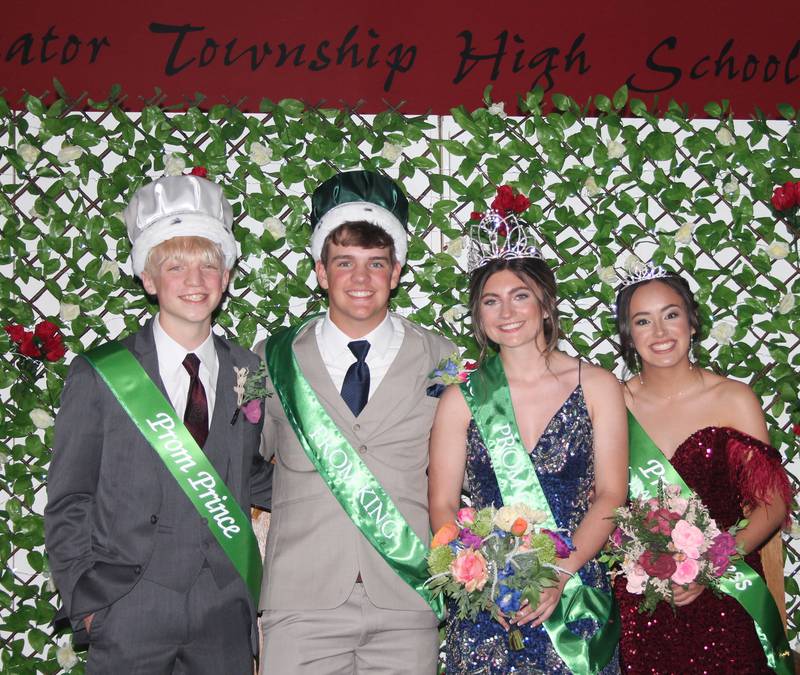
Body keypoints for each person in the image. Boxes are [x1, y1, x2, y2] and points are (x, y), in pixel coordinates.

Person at [44, 172, 273, 674]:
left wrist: (323, 484)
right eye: (175, 267)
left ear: (228, 277)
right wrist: (87, 603)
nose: (195, 281)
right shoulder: (101, 374)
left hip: (222, 605)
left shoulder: (248, 371)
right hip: (127, 604)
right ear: (148, 279)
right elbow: (69, 499)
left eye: (209, 266)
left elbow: (245, 469)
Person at [257, 170, 455, 674]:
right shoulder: (270, 359)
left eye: (376, 264)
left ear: (396, 272)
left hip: (406, 595)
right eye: (344, 263)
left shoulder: (445, 359)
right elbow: (239, 464)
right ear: (321, 272)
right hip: (301, 598)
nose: (361, 279)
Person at [428, 191, 628, 674]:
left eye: (520, 295)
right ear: (479, 315)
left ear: (544, 303)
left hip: (576, 591)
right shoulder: (461, 397)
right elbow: (441, 504)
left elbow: (611, 495)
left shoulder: (598, 385)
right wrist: (482, 577)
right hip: (487, 605)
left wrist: (559, 575)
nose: (507, 311)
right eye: (491, 301)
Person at [613, 268, 793, 674]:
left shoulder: (733, 398)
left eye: (671, 315)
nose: (660, 331)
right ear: (628, 335)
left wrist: (712, 564)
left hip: (726, 589)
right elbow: (601, 500)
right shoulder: (612, 404)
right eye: (643, 321)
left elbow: (772, 504)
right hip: (642, 598)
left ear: (692, 323)